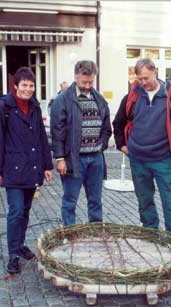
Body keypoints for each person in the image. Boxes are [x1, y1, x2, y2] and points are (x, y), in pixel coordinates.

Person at [112, 58, 171, 235]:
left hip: (163, 159)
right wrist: (122, 145)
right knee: (144, 199)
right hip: (138, 159)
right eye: (140, 79)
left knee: (170, 199)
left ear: (155, 72)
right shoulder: (133, 96)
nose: (143, 83)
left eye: (146, 78)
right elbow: (118, 122)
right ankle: (150, 232)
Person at [0, 67, 53, 274]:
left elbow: (42, 137)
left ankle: (20, 244)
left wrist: (47, 165)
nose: (28, 89)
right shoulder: (3, 107)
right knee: (15, 211)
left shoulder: (35, 106)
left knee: (25, 211)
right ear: (15, 86)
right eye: (24, 85)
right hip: (13, 169)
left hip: (32, 168)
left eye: (31, 85)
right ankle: (12, 255)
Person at [50, 60, 112, 226]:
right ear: (76, 77)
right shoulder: (63, 100)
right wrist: (60, 158)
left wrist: (101, 145)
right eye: (84, 81)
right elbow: (57, 131)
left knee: (95, 200)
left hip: (96, 159)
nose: (88, 85)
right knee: (70, 201)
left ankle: (96, 231)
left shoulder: (99, 98)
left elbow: (107, 126)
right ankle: (70, 235)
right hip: (73, 159)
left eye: (91, 81)